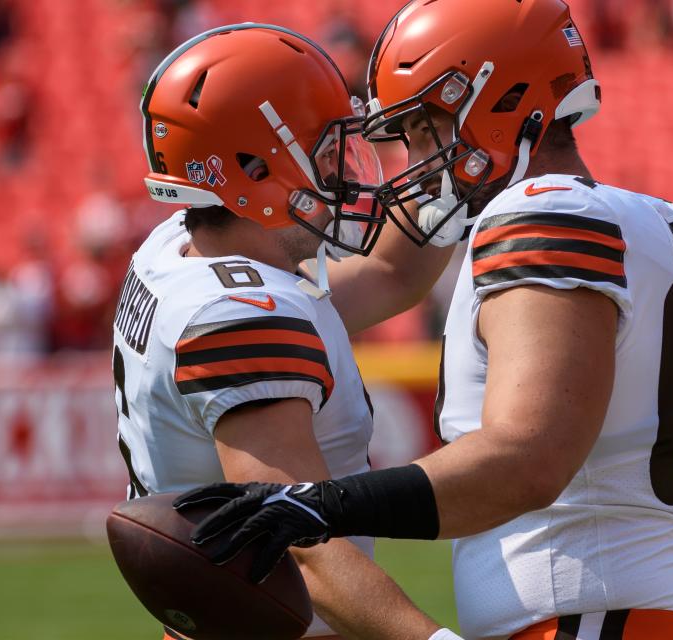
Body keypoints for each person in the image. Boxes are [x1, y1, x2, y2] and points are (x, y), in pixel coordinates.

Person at [174, 3, 673, 639]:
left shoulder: (542, 213)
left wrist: (319, 505)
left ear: (496, 101)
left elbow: (529, 457)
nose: (416, 158)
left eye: (424, 129)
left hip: (582, 620)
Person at [115, 24, 462, 640]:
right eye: (326, 153)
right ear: (253, 167)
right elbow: (302, 542)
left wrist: (449, 170)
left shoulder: (183, 248)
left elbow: (387, 272)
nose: (344, 171)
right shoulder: (241, 314)